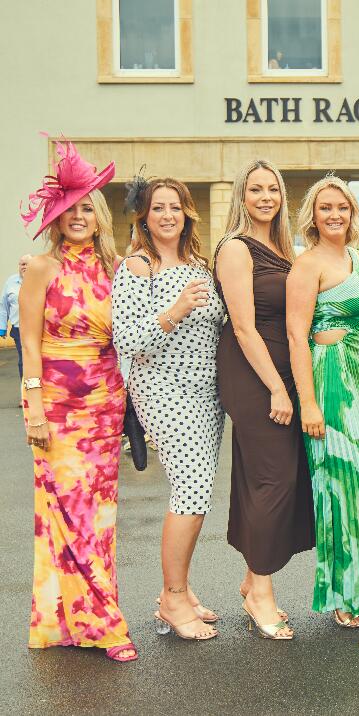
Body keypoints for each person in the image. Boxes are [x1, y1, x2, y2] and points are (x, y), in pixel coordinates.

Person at [20, 139, 136, 662]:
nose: (79, 216)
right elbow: (28, 345)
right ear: (57, 217)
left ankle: (75, 620)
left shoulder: (116, 270)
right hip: (60, 409)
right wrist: (35, 408)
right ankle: (105, 625)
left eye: (87, 207)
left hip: (106, 406)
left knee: (99, 517)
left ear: (99, 215)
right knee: (69, 513)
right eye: (70, 209)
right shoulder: (41, 269)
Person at [112, 177, 224, 641]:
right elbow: (129, 341)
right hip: (164, 390)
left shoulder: (199, 262)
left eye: (175, 207)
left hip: (207, 392)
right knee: (191, 491)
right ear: (144, 216)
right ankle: (171, 598)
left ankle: (180, 588)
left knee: (198, 491)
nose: (167, 215)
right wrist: (175, 308)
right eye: (158, 208)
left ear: (187, 213)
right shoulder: (138, 267)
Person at [214, 160, 315, 640]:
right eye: (255, 189)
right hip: (255, 374)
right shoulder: (236, 248)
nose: (265, 197)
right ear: (242, 195)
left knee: (272, 479)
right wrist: (276, 386)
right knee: (273, 479)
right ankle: (262, 593)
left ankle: (253, 580)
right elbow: (243, 326)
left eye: (272, 188)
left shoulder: (284, 248)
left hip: (286, 370)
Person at [286, 176, 359, 628]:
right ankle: (347, 594)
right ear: (313, 214)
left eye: (343, 208)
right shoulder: (306, 265)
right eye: (326, 207)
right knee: (347, 484)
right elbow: (295, 335)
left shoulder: (357, 257)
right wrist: (307, 402)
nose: (335, 215)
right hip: (332, 383)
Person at [0, 254, 32, 392]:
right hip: (19, 329)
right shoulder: (11, 282)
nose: (24, 267)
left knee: (40, 360)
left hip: (40, 329)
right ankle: (26, 393)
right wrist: (2, 327)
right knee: (24, 361)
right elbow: (3, 305)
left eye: (27, 264)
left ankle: (41, 393)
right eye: (22, 264)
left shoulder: (40, 280)